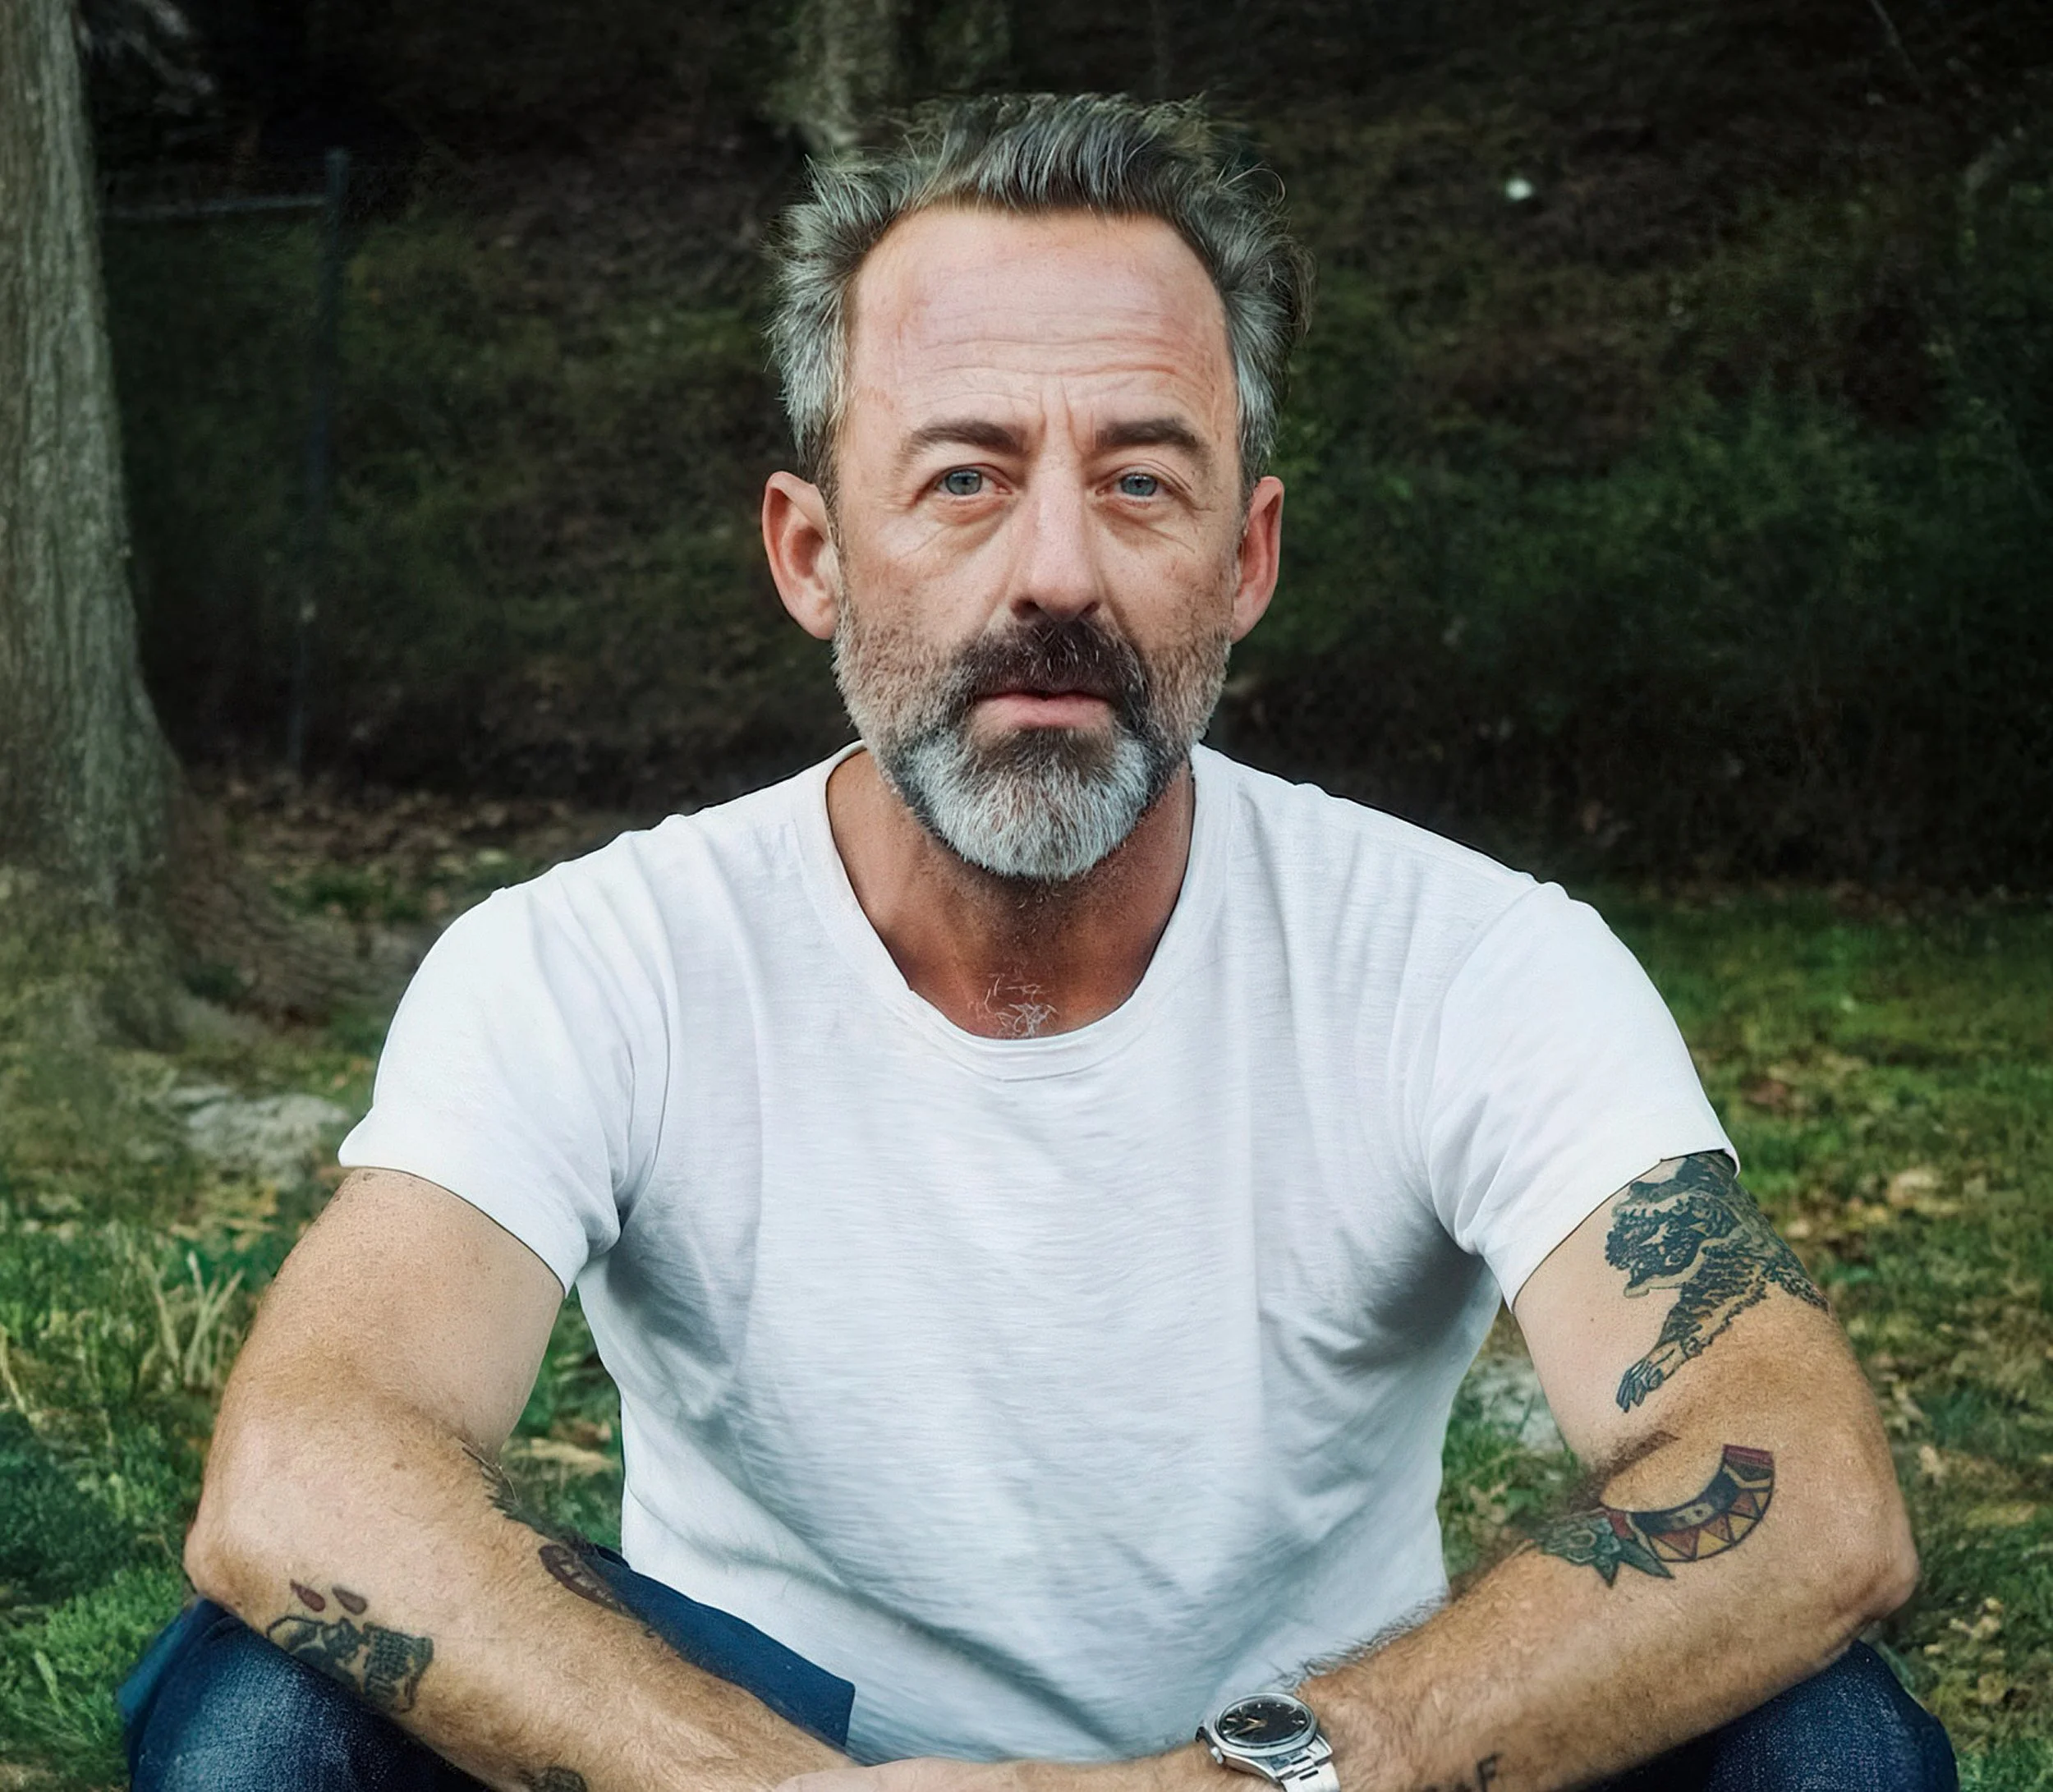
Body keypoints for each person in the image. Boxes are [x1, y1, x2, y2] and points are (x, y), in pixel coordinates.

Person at [125, 94, 1954, 1792]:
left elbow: (1798, 1488)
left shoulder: (1473, 960)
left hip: (1298, 1764)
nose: (1055, 574)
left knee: (1828, 1739)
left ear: (1243, 559)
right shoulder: (594, 961)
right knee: (258, 1707)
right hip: (757, 1745)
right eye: (964, 476)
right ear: (811, 551)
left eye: (1140, 481)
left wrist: (1242, 1778)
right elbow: (306, 1463)